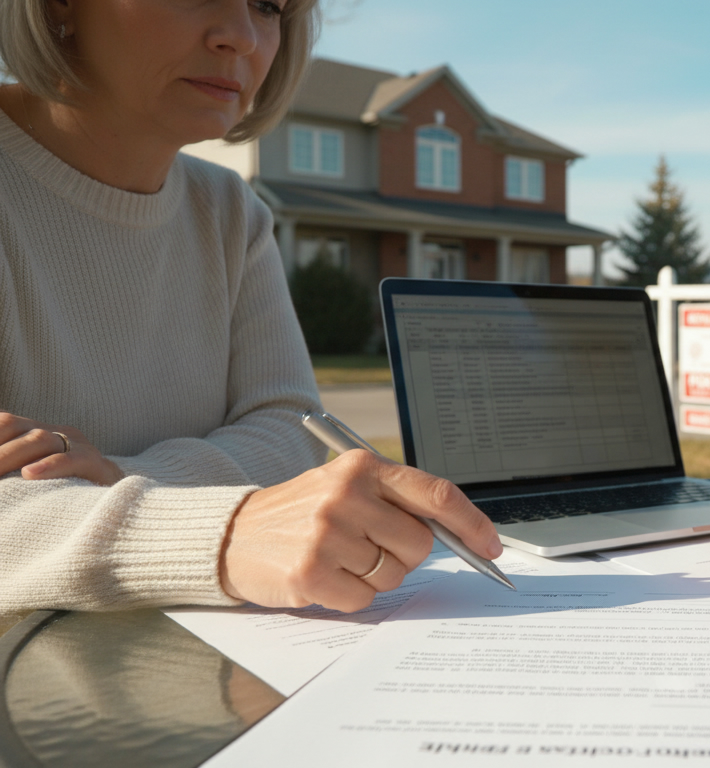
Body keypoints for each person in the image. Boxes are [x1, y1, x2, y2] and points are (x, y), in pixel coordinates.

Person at [0, 0, 501, 613]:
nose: (240, 36)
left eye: (269, 6)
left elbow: (292, 428)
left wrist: (115, 474)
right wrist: (227, 531)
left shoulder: (230, 212)